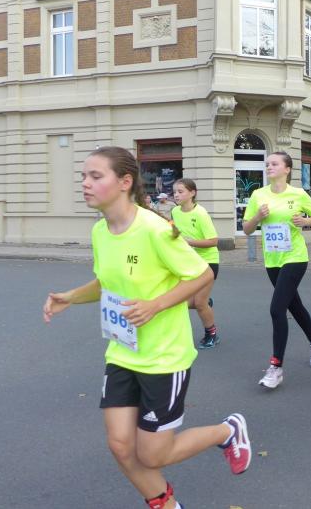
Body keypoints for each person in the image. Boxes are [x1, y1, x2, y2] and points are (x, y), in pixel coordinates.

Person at [42, 146, 251, 509]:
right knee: (121, 446)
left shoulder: (155, 229)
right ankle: (166, 505)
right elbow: (107, 282)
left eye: (95, 176)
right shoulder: (100, 231)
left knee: (153, 455)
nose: (85, 183)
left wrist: (156, 305)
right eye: (84, 176)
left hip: (163, 357)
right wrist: (70, 297)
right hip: (123, 351)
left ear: (125, 182)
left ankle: (228, 430)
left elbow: (201, 274)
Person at [242, 151, 311, 389]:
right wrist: (258, 216)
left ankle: (276, 367)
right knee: (294, 305)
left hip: (295, 257)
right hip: (273, 260)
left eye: (274, 163)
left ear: (287, 169)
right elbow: (247, 229)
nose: (269, 166)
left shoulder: (298, 194)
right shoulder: (258, 195)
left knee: (277, 309)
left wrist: (305, 221)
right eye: (267, 164)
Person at [171, 178, 221, 349]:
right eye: (175, 192)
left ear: (192, 193)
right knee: (180, 301)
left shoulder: (201, 213)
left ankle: (211, 334)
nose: (176, 195)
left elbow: (214, 241)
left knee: (199, 303)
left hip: (207, 263)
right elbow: (177, 233)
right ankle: (206, 303)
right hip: (186, 263)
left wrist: (190, 242)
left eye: (180, 191)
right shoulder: (175, 211)